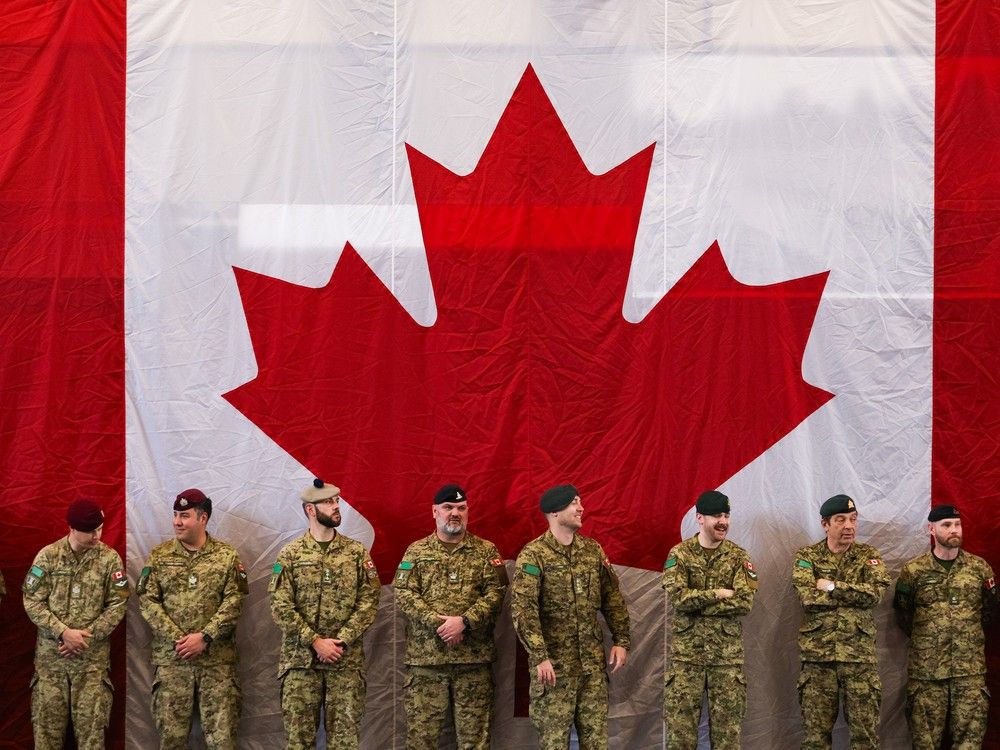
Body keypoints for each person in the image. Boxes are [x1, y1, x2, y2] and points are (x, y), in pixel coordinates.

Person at [510, 484, 630, 749]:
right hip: (554, 672)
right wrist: (540, 655)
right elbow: (523, 609)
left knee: (596, 743)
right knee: (554, 745)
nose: (581, 508)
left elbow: (612, 599)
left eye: (580, 502)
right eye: (574, 503)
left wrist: (621, 639)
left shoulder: (592, 551)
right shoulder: (534, 555)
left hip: (591, 671)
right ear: (554, 511)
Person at [394, 483, 508, 749]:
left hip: (473, 662)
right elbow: (404, 594)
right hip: (426, 663)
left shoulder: (486, 551)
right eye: (447, 508)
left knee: (475, 742)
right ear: (434, 512)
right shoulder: (416, 552)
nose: (454, 513)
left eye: (461, 508)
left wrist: (464, 622)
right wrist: (441, 624)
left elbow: (497, 593)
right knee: (422, 741)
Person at [269, 478, 381, 750]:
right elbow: (279, 604)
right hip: (300, 664)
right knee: (299, 743)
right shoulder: (291, 554)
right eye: (329, 502)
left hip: (345, 662)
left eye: (336, 501)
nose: (336, 506)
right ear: (310, 509)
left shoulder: (356, 553)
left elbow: (370, 600)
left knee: (344, 743)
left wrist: (341, 640)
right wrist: (315, 641)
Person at [137, 488, 247, 750]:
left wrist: (205, 636)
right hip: (173, 662)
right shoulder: (159, 556)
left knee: (222, 741)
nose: (177, 521)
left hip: (217, 663)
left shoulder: (226, 556)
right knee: (172, 741)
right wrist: (180, 639)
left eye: (184, 515)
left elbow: (235, 601)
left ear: (203, 518)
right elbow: (147, 601)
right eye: (175, 515)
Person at [22, 498, 128, 750]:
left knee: (92, 740)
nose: (96, 536)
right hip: (51, 667)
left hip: (91, 666)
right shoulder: (48, 557)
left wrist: (83, 638)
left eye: (99, 529)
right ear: (71, 528)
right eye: (89, 531)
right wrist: (62, 632)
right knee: (47, 739)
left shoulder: (109, 559)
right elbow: (32, 600)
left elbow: (118, 604)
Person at [893, 504, 998, 749]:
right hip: (927, 673)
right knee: (925, 743)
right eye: (946, 525)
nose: (954, 530)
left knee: (969, 744)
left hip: (969, 672)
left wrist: (964, 636)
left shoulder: (979, 569)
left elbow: (989, 611)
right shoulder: (913, 571)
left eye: (957, 524)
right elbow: (903, 615)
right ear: (931, 529)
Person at [791, 493, 890, 750]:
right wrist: (854, 593)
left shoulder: (869, 556)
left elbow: (875, 595)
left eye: (853, 519)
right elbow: (807, 598)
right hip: (818, 661)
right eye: (841, 520)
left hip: (859, 660)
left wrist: (832, 586)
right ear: (825, 524)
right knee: (815, 740)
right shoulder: (807, 557)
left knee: (865, 739)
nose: (849, 526)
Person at [662, 490, 758, 749]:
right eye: (717, 516)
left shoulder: (739, 557)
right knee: (680, 738)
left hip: (726, 661)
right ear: (699, 518)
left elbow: (743, 602)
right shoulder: (680, 554)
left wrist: (698, 604)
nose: (723, 521)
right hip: (686, 661)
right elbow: (679, 599)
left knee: (727, 738)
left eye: (726, 515)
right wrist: (717, 593)